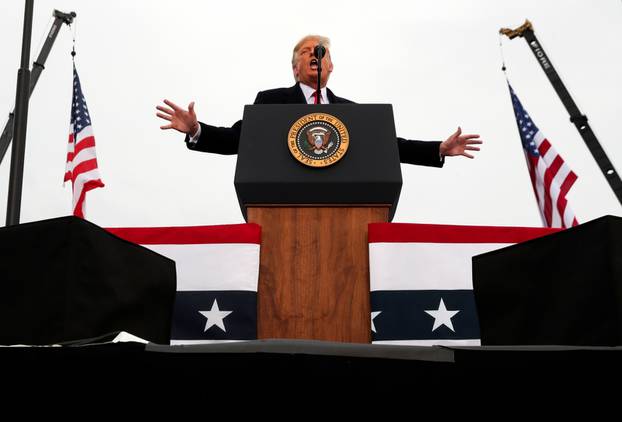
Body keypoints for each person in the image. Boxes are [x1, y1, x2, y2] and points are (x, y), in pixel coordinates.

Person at [156, 35, 482, 166]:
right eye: (306, 52)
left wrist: (437, 149)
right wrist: (196, 129)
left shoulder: (352, 113)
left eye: (321, 53)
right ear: (295, 67)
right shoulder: (270, 101)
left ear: (331, 66)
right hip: (280, 201)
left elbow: (387, 145)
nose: (315, 55)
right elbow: (236, 140)